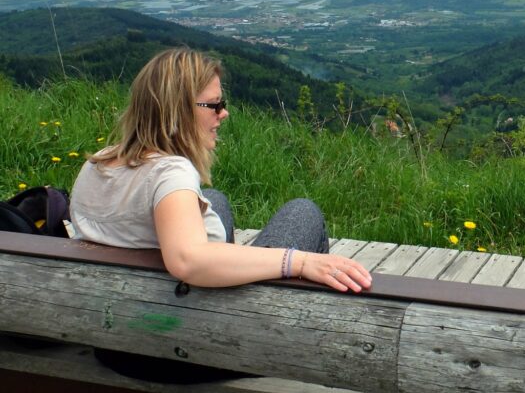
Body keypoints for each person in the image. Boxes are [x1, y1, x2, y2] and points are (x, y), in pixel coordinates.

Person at [70, 47, 372, 294]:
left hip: (112, 332)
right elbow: (187, 260)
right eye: (214, 104)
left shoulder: (96, 164)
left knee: (214, 201)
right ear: (178, 109)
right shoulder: (169, 173)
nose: (223, 112)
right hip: (192, 341)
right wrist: (300, 262)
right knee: (303, 213)